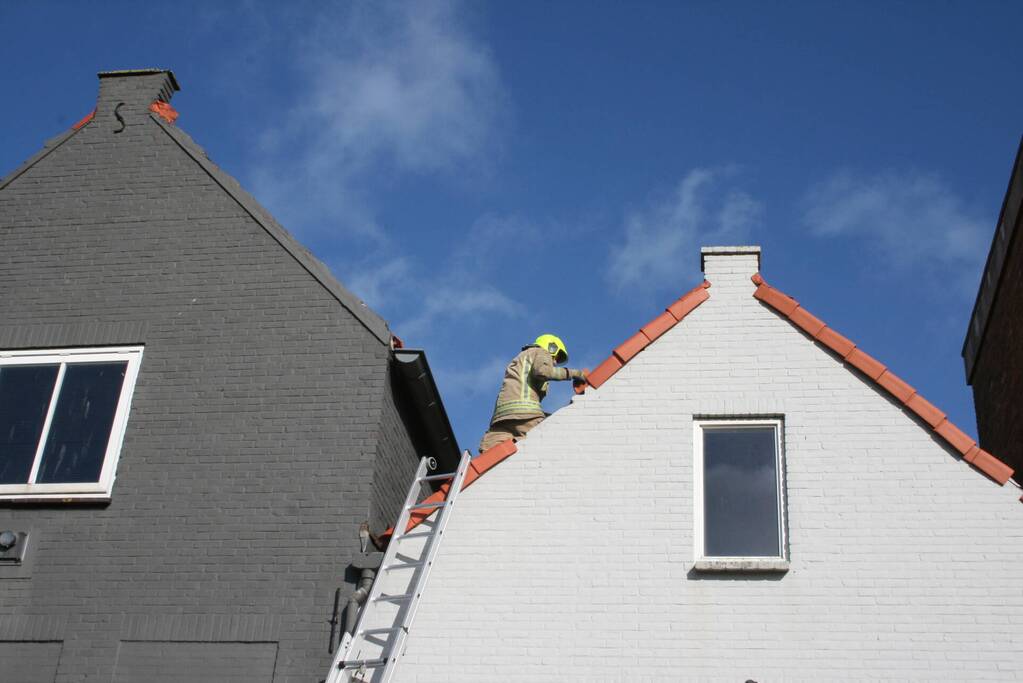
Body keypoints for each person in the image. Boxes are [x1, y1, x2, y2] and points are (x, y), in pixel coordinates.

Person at [478, 334, 588, 453]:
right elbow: (543, 371)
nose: (555, 362)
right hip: (524, 412)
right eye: (556, 357)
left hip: (502, 417)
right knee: (551, 433)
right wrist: (576, 374)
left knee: (491, 455)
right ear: (551, 347)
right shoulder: (541, 352)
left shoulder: (521, 357)